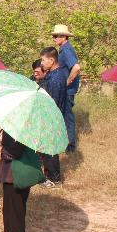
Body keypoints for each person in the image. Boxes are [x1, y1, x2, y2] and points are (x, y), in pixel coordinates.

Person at [38, 47, 69, 188]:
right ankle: (49, 175)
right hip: (50, 116)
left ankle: (54, 178)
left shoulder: (56, 78)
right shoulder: (53, 74)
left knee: (49, 149)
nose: (41, 63)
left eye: (43, 60)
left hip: (51, 117)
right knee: (46, 148)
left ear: (51, 60)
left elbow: (53, 102)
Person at [52, 24, 81, 153]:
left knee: (67, 117)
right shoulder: (64, 49)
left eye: (56, 36)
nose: (54, 38)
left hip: (67, 90)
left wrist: (67, 82)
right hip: (66, 89)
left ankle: (70, 146)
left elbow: (76, 68)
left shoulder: (67, 50)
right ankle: (64, 143)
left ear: (63, 37)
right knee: (63, 116)